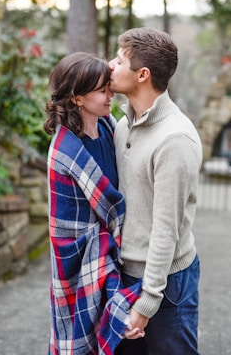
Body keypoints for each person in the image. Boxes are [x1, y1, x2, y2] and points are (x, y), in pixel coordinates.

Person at [109, 28, 203, 355]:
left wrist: (147, 302)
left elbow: (166, 230)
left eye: (119, 60)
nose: (110, 66)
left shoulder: (175, 140)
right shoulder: (123, 124)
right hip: (124, 276)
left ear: (142, 74)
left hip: (167, 284)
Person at [44, 52, 143, 355]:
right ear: (76, 98)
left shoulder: (109, 127)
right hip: (80, 255)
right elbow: (70, 230)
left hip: (110, 246)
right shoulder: (64, 151)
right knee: (79, 335)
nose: (111, 94)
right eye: (102, 90)